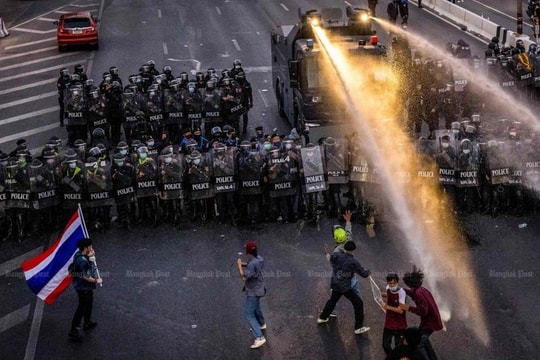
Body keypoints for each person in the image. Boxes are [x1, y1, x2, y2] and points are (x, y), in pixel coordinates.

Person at [317, 240, 371, 335]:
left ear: (344, 248)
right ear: (353, 250)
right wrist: (368, 271)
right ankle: (358, 327)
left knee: (333, 300)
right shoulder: (353, 262)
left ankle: (323, 317)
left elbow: (329, 258)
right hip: (345, 286)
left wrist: (326, 252)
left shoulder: (337, 255)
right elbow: (364, 274)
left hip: (335, 283)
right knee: (358, 303)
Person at [401, 267, 443, 360]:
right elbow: (412, 293)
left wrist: (408, 308)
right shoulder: (420, 290)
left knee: (419, 344)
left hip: (430, 323)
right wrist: (402, 290)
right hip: (430, 322)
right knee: (424, 340)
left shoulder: (419, 294)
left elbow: (423, 311)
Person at [68, 238, 103, 342]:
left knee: (89, 303)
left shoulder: (79, 255)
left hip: (84, 287)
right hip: (83, 287)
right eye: (90, 247)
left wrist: (90, 257)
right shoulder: (83, 261)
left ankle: (87, 322)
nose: (92, 248)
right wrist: (97, 280)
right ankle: (74, 330)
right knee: (82, 307)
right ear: (86, 247)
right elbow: (87, 276)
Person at [237, 241, 267, 349]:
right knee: (256, 308)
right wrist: (243, 264)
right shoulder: (259, 259)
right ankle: (262, 323)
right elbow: (251, 266)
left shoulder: (252, 264)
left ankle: (259, 337)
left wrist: (239, 266)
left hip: (253, 292)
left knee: (249, 314)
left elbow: (244, 277)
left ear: (248, 253)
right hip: (260, 289)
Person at [381, 273, 408, 355]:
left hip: (400, 324)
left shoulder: (402, 293)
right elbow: (389, 295)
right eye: (390, 283)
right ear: (388, 283)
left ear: (397, 282)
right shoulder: (388, 288)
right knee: (385, 345)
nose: (392, 285)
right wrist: (382, 295)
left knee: (398, 346)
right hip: (389, 322)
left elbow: (401, 311)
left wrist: (387, 307)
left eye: (394, 283)